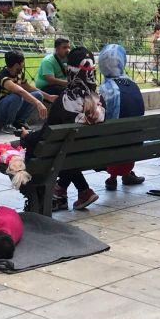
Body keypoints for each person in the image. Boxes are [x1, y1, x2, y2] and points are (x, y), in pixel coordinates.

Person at [20, 47, 104, 210]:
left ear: (69, 70)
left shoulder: (65, 101)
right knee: (66, 149)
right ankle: (77, 191)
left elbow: (46, 134)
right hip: (92, 153)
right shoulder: (100, 99)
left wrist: (26, 137)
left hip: (67, 154)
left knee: (50, 150)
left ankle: (41, 196)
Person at [98, 44, 146, 190]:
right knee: (126, 132)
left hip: (112, 144)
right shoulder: (132, 84)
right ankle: (126, 174)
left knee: (111, 133)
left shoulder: (105, 89)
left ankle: (113, 177)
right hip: (134, 142)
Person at [0, 50, 51, 133]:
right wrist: (38, 103)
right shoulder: (3, 77)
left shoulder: (19, 73)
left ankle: (19, 122)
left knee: (38, 95)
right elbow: (20, 91)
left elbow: (29, 88)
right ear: (17, 65)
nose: (24, 64)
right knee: (17, 96)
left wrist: (49, 97)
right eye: (23, 62)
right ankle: (7, 124)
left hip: (14, 106)